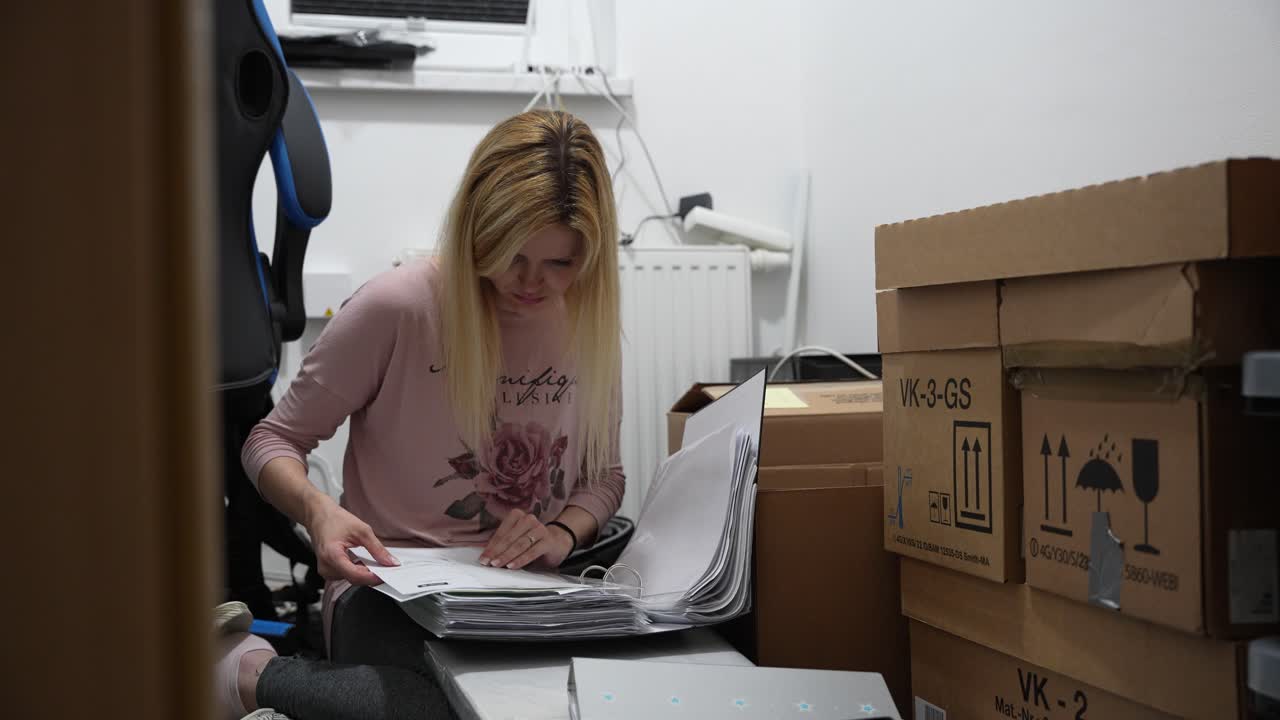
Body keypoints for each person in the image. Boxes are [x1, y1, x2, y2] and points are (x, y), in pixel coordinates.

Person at [214, 109, 625, 720]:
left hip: (526, 590)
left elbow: (603, 477)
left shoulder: (584, 322)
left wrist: (562, 532)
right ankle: (245, 670)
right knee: (439, 708)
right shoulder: (398, 307)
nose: (532, 282)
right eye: (511, 255)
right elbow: (271, 440)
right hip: (389, 586)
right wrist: (319, 511)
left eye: (560, 264)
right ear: (475, 229)